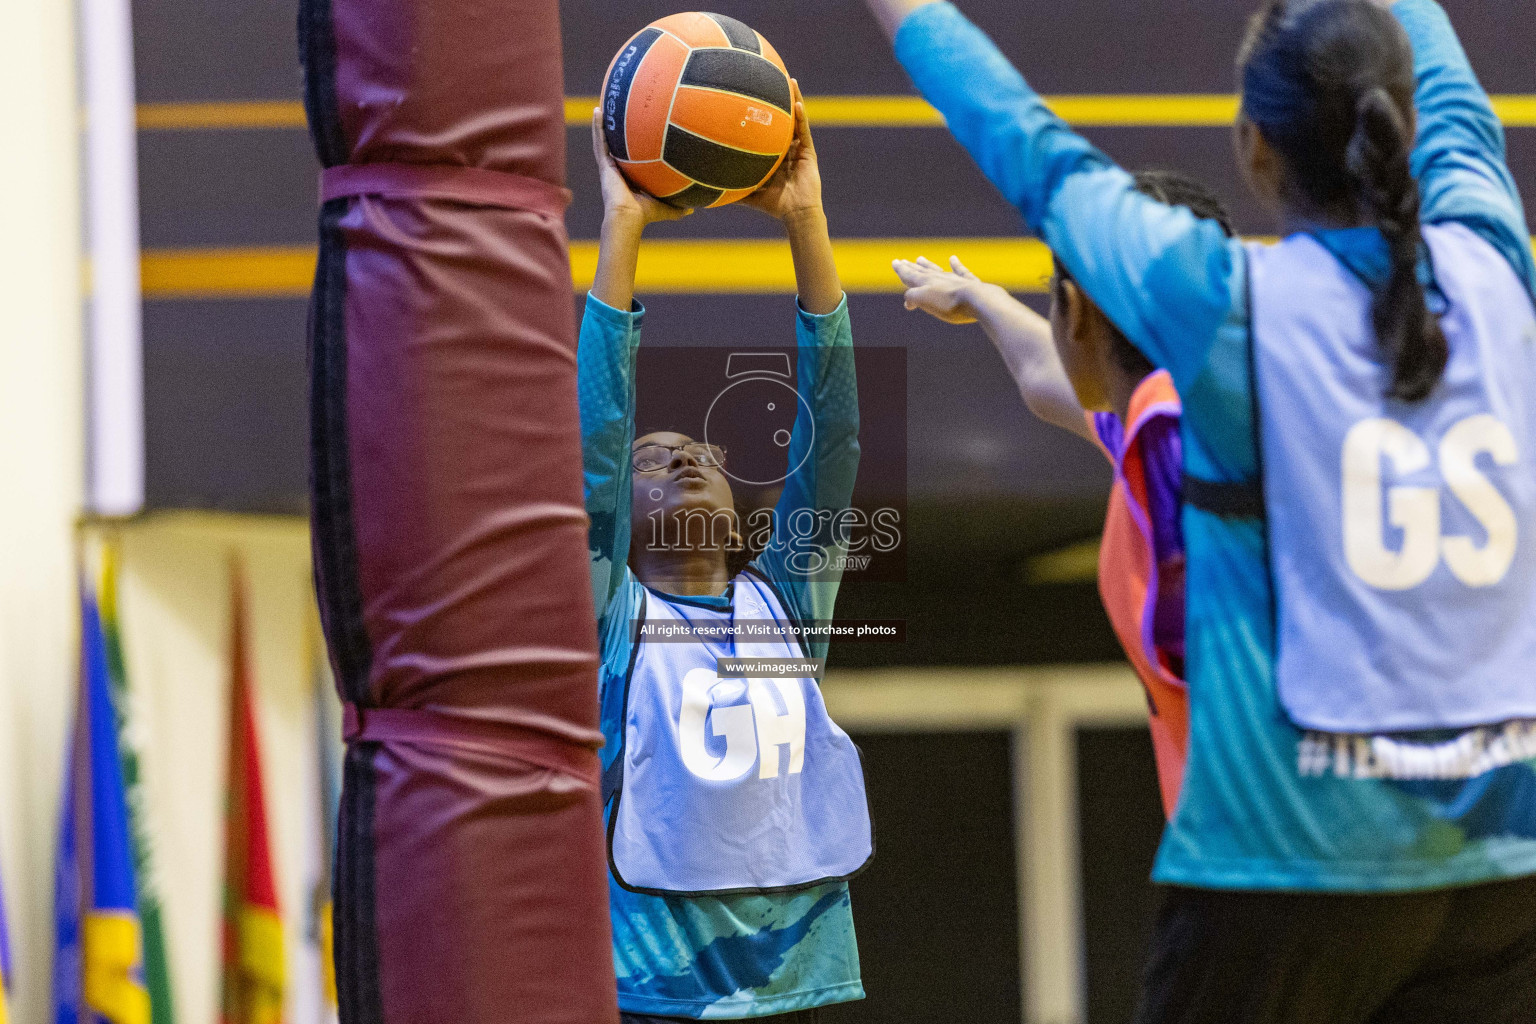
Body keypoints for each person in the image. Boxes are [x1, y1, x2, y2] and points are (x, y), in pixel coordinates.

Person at [862, 0, 1536, 1020]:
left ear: (1254, 150)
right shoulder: (1492, 261)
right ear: (1402, 118)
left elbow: (1024, 140)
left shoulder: (1229, 314)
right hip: (1503, 857)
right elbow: (1443, 79)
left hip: (1295, 862)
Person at [579, 90, 872, 1024]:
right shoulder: (612, 621)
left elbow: (830, 445)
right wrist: (624, 225)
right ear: (627, 521)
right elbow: (594, 449)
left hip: (802, 991)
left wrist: (806, 224)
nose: (689, 463)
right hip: (654, 999)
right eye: (658, 462)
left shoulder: (786, 607)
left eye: (701, 456)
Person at [895, 170, 1235, 818]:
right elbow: (1053, 378)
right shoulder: (1181, 412)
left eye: (1054, 296)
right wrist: (984, 300)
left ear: (1077, 310)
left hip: (1276, 845)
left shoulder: (1170, 428)